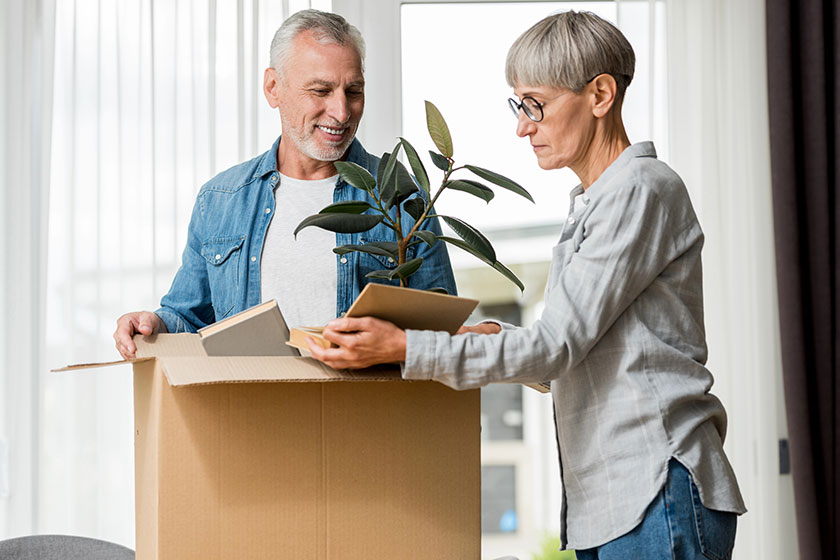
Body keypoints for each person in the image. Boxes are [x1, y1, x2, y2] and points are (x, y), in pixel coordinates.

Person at [307, 10, 746, 559]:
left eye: (534, 104)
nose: (522, 126)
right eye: (518, 105)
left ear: (601, 94)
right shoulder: (596, 202)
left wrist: (402, 347)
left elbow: (554, 349)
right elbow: (583, 348)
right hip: (620, 500)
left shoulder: (639, 189)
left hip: (655, 487)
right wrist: (486, 337)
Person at [113, 9, 455, 360]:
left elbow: (442, 335)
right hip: (255, 411)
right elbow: (190, 316)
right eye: (321, 90)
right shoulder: (220, 200)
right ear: (273, 88)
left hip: (360, 413)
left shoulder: (401, 195)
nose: (341, 111)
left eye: (353, 91)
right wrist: (153, 323)